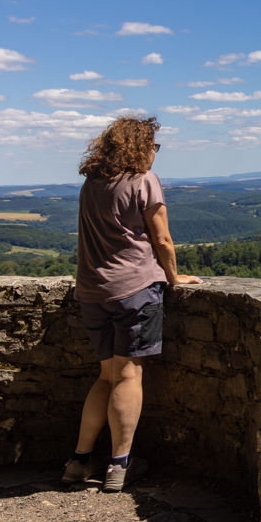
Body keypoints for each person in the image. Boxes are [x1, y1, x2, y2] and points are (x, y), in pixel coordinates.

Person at [62, 115, 202, 491]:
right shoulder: (143, 180)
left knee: (106, 376)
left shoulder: (92, 182)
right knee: (129, 375)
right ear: (139, 147)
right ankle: (119, 466)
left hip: (92, 291)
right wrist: (174, 277)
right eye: (153, 146)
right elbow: (163, 239)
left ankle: (78, 460)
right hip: (134, 289)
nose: (154, 153)